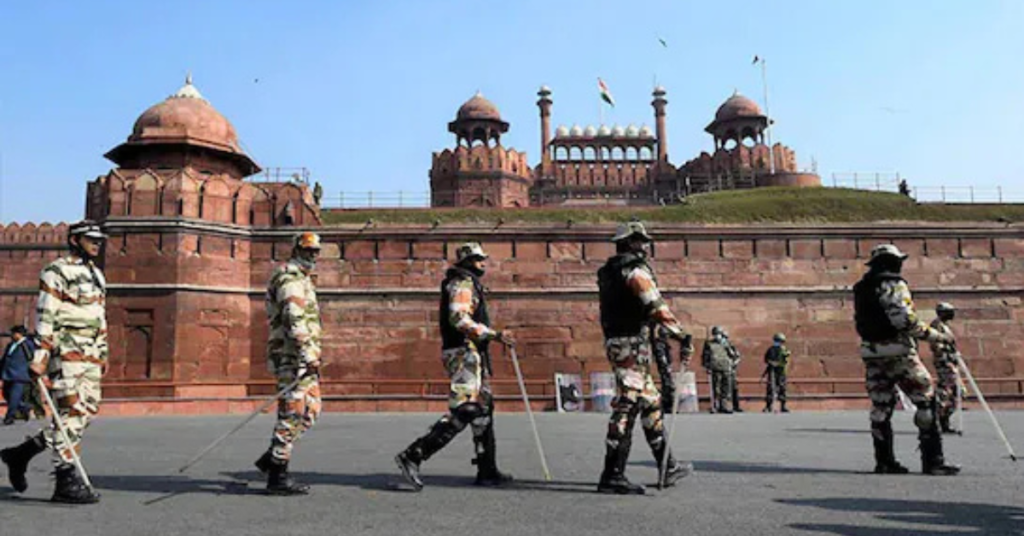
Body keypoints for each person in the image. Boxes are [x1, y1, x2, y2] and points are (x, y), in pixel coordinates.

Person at [1, 219, 108, 504]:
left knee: (85, 413)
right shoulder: (55, 272)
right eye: (91, 239)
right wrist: (40, 356)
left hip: (90, 354)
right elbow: (46, 315)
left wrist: (104, 352)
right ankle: (64, 478)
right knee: (71, 412)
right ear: (75, 240)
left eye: (99, 239)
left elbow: (100, 316)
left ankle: (20, 454)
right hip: (67, 353)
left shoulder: (96, 274)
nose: (97, 243)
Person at [395, 242, 515, 491]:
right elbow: (459, 318)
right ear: (468, 261)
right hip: (464, 351)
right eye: (479, 259)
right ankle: (414, 454)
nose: (483, 263)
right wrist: (493, 334)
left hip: (470, 351)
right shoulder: (462, 282)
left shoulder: (468, 281)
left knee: (483, 408)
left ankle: (487, 468)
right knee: (466, 408)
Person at [595, 221, 694, 495]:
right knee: (627, 405)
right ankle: (612, 473)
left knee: (649, 402)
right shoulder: (634, 270)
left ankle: (667, 465)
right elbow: (655, 305)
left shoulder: (608, 272)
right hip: (630, 345)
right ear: (629, 243)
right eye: (640, 240)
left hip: (620, 341)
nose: (645, 246)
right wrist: (680, 334)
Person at [853, 244, 960, 476]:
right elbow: (904, 320)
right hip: (898, 351)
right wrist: (935, 336)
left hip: (872, 352)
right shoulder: (892, 284)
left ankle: (884, 460)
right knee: (925, 399)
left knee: (881, 403)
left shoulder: (862, 288)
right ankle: (933, 460)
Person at [253, 232, 324, 495]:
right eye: (308, 251)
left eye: (315, 251)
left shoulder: (303, 278)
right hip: (292, 356)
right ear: (296, 250)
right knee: (292, 412)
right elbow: (294, 317)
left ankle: (272, 458)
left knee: (311, 409)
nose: (312, 255)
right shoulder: (289, 278)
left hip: (303, 356)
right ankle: (277, 476)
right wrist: (307, 352)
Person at [929, 303, 962, 434]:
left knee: (954, 391)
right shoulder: (937, 326)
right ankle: (939, 420)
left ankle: (944, 419)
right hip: (944, 362)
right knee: (947, 390)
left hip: (949, 361)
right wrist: (948, 355)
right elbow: (936, 345)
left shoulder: (944, 325)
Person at [2, 325, 35, 424]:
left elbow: (30, 356)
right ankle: (25, 408)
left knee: (14, 397)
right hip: (7, 374)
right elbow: (5, 359)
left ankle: (9, 417)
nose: (12, 335)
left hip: (19, 375)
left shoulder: (26, 344)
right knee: (6, 394)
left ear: (19, 334)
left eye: (13, 333)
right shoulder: (11, 345)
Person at [702, 326, 733, 414]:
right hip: (715, 368)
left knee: (725, 388)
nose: (717, 336)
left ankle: (724, 406)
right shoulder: (709, 344)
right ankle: (715, 406)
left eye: (718, 334)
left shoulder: (726, 343)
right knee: (716, 388)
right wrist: (707, 366)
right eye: (716, 334)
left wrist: (727, 346)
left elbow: (732, 355)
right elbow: (705, 357)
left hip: (725, 367)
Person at [763, 333, 791, 413]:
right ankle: (768, 406)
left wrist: (785, 356)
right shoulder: (771, 349)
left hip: (781, 371)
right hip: (772, 370)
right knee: (770, 388)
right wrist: (771, 363)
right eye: (778, 341)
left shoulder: (784, 350)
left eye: (781, 341)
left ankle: (783, 406)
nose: (779, 343)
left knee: (782, 388)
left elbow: (786, 360)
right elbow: (766, 359)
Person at [722, 330, 744, 412]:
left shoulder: (730, 346)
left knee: (734, 388)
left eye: (725, 337)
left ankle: (736, 406)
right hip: (722, 369)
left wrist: (734, 363)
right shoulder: (717, 346)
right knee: (724, 389)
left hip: (731, 369)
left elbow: (737, 356)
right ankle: (724, 406)